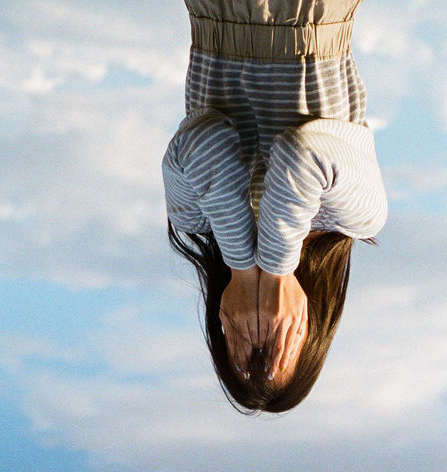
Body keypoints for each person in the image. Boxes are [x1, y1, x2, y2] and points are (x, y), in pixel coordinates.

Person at [164, 2, 388, 413]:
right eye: (280, 342)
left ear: (222, 326)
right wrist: (276, 269)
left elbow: (204, 143)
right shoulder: (355, 218)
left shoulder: (195, 218)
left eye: (247, 344)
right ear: (310, 327)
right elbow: (303, 155)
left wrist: (244, 269)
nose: (263, 324)